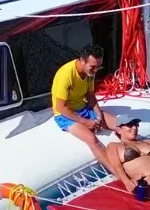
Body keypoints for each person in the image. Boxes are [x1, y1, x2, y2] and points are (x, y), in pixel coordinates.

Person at [51, 44, 121, 177]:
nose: (95, 70)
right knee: (92, 139)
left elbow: (90, 96)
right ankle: (116, 172)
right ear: (82, 61)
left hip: (83, 107)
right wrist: (86, 122)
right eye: (93, 67)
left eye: (98, 67)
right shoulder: (66, 75)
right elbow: (60, 107)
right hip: (65, 115)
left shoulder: (90, 72)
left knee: (122, 124)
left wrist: (99, 115)